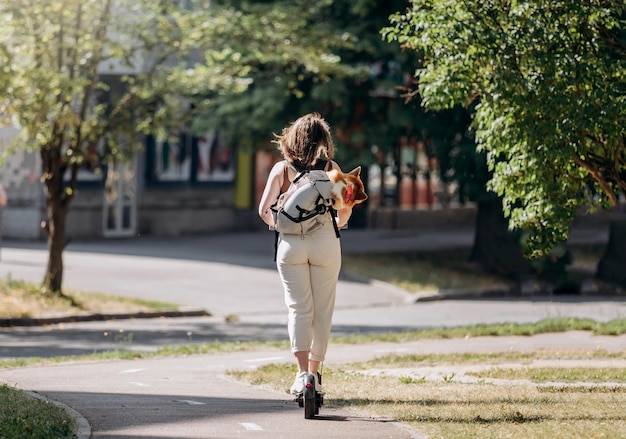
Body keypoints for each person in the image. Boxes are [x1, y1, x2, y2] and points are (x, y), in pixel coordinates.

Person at [258, 113, 354, 395]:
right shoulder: (330, 168)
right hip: (325, 242)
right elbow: (345, 207)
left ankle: (301, 376)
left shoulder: (281, 170)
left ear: (291, 139)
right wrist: (339, 223)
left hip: (290, 246)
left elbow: (264, 210)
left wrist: (281, 225)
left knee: (298, 308)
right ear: (322, 141)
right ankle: (315, 374)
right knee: (322, 310)